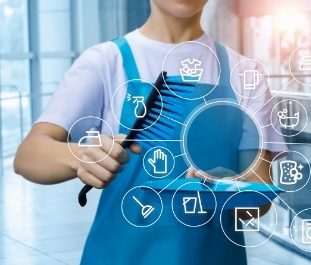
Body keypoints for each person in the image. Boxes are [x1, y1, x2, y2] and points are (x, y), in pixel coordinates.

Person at [14, 0, 286, 264]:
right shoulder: (106, 62)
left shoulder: (246, 75)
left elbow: (259, 201)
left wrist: (224, 186)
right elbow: (29, 156)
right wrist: (80, 156)